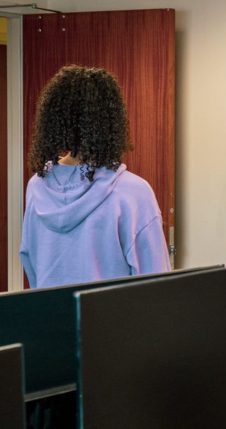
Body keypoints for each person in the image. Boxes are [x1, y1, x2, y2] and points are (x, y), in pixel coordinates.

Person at [20, 65, 171, 289]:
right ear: (110, 122)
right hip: (113, 323)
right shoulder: (133, 192)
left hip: (53, 320)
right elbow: (158, 284)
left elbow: (30, 261)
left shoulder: (36, 186)